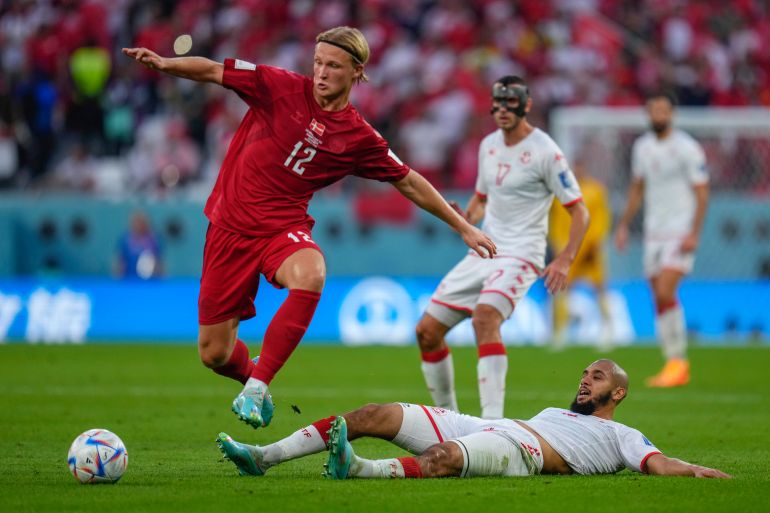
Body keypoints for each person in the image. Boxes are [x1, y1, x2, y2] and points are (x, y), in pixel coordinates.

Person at [122, 26, 496, 430]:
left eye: (332, 65)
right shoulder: (279, 86)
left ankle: (258, 384)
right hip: (229, 228)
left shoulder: (358, 136)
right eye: (317, 62)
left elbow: (407, 180)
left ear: (356, 71)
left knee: (312, 272)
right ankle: (252, 379)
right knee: (214, 353)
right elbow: (213, 71)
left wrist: (462, 226)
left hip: (283, 228)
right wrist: (164, 63)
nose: (321, 72)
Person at [215, 359, 730, 480]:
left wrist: (696, 471)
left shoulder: (621, 434)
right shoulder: (557, 410)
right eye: (583, 374)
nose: (584, 381)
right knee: (373, 412)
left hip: (522, 454)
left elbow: (657, 463)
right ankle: (266, 455)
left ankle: (362, 470)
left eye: (595, 378)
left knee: (441, 461)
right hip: (491, 425)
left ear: (617, 392)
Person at [413, 76, 590, 418]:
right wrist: (466, 217)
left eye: (511, 103)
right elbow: (481, 199)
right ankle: (450, 421)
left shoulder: (546, 151)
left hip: (523, 253)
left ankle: (492, 427)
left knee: (485, 318)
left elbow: (579, 210)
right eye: (498, 103)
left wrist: (565, 259)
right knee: (426, 332)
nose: (503, 110)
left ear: (526, 106)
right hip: (486, 248)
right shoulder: (488, 145)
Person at [615, 92, 709, 387]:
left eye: (663, 110)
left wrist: (694, 232)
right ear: (648, 114)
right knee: (658, 295)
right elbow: (637, 188)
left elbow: (702, 192)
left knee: (666, 291)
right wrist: (624, 225)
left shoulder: (687, 148)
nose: (659, 115)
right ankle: (672, 361)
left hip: (679, 230)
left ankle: (678, 361)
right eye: (654, 110)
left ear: (672, 114)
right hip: (653, 233)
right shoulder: (642, 147)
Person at [548, 159, 612, 350]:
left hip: (590, 248)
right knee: (561, 288)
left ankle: (608, 330)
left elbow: (602, 219)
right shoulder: (560, 193)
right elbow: (556, 222)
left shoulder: (596, 190)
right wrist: (558, 244)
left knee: (599, 287)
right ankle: (560, 332)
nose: (577, 170)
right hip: (568, 249)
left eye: (580, 166)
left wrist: (595, 242)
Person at [115, 210, 163, 279]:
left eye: (141, 222)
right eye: (136, 221)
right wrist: (118, 278)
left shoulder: (154, 239)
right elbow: (120, 261)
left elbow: (159, 261)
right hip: (129, 281)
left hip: (150, 282)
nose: (138, 224)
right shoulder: (125, 239)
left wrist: (159, 278)